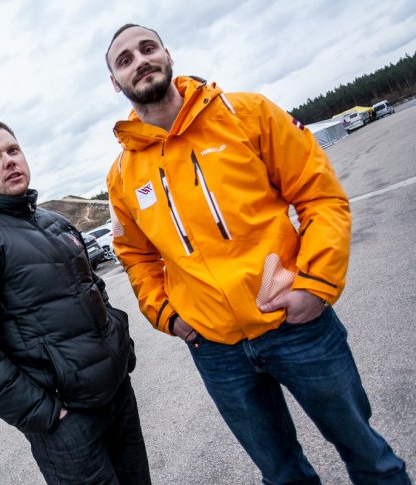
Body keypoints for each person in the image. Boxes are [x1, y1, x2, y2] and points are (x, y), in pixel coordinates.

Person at [104, 24, 410, 485]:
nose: (140, 61)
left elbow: (320, 197)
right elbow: (135, 256)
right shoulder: (123, 174)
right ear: (116, 82)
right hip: (216, 350)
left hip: (298, 326)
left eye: (147, 49)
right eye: (125, 59)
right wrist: (168, 315)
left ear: (168, 55)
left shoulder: (246, 113)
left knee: (370, 458)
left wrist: (315, 285)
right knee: (282, 475)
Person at [0, 120, 151, 484]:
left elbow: (95, 287)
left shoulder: (56, 223)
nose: (8, 161)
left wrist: (121, 348)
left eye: (12, 150)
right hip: (67, 426)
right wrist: (47, 414)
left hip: (117, 396)